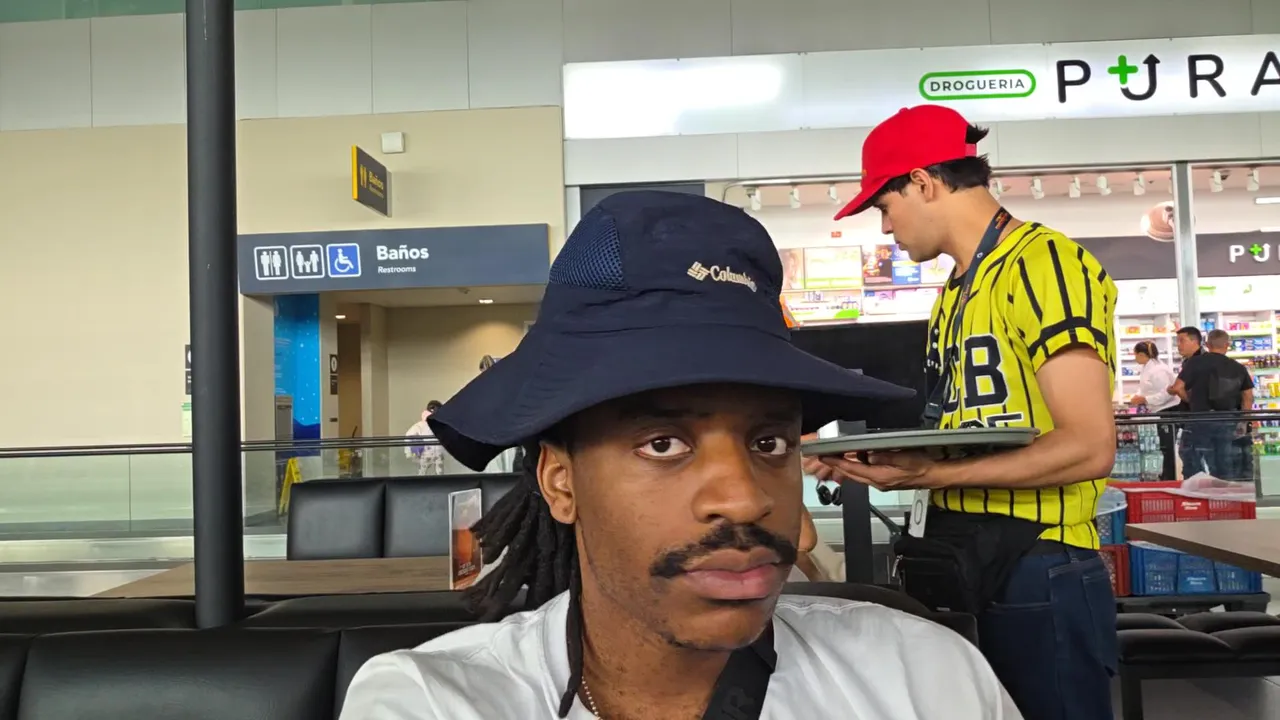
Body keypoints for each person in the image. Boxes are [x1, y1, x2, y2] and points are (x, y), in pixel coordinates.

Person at [340, 191, 1020, 720]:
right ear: (560, 481)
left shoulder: (924, 680)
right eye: (663, 444)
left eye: (769, 443)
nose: (745, 498)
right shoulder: (437, 703)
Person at [810, 105, 1119, 720]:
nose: (886, 228)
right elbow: (980, 424)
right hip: (965, 555)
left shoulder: (1045, 263)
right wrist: (892, 457)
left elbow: (1088, 446)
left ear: (923, 182)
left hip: (1039, 560)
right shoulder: (956, 289)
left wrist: (932, 473)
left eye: (884, 206)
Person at [1169, 329, 1254, 479]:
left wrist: (1191, 400)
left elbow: (1177, 387)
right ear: (1227, 345)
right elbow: (1247, 396)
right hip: (1228, 420)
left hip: (1200, 419)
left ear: (1207, 344)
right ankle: (1224, 489)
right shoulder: (1238, 367)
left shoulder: (1195, 362)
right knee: (1225, 462)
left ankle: (1197, 489)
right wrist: (1244, 421)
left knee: (1193, 462)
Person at [1129, 340, 1179, 480]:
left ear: (1141, 354)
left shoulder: (1158, 370)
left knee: (1166, 448)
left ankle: (1169, 478)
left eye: (1135, 354)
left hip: (1167, 411)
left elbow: (1167, 393)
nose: (1135, 357)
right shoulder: (1148, 367)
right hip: (1158, 411)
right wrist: (1139, 396)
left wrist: (1145, 399)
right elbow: (1147, 388)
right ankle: (1163, 476)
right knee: (1161, 446)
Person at [404, 400, 444, 476]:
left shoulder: (442, 426)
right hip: (425, 454)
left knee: (440, 472)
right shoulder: (420, 426)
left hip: (438, 453)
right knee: (422, 472)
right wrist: (411, 453)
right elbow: (409, 437)